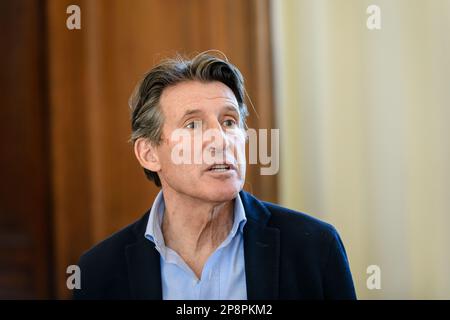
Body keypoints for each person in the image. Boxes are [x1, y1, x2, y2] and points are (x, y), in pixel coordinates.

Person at [74, 52, 356, 300]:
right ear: (149, 153)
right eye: (193, 124)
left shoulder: (315, 248)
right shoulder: (99, 272)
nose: (220, 140)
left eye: (229, 122)